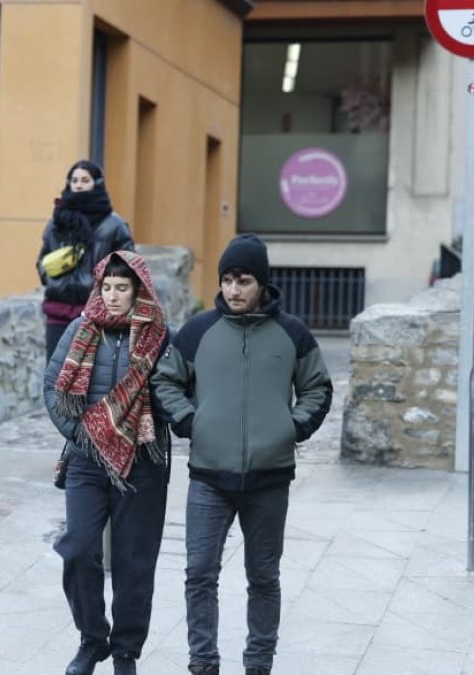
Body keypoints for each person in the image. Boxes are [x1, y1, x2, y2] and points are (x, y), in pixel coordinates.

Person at [152, 234, 333, 675]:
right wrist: (191, 422)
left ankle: (258, 663)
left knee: (264, 578)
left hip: (270, 480)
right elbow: (164, 381)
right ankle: (203, 662)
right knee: (199, 573)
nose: (233, 290)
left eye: (244, 280)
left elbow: (317, 388)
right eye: (227, 280)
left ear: (262, 284)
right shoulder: (198, 331)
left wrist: (293, 427)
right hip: (209, 477)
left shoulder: (292, 334)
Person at [44, 250, 171, 675]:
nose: (113, 296)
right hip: (85, 459)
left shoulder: (160, 337)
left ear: (138, 290)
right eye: (107, 287)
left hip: (143, 461)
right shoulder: (80, 330)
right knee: (78, 548)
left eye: (123, 288)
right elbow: (51, 385)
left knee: (135, 560)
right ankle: (92, 639)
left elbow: (176, 391)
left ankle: (125, 651)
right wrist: (82, 433)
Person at [37, 160, 136, 361]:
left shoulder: (114, 225)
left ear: (96, 184)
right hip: (58, 312)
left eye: (85, 180)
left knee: (91, 376)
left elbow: (129, 267)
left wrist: (106, 291)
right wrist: (52, 279)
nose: (79, 185)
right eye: (74, 180)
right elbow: (42, 260)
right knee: (56, 374)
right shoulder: (57, 223)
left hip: (96, 313)